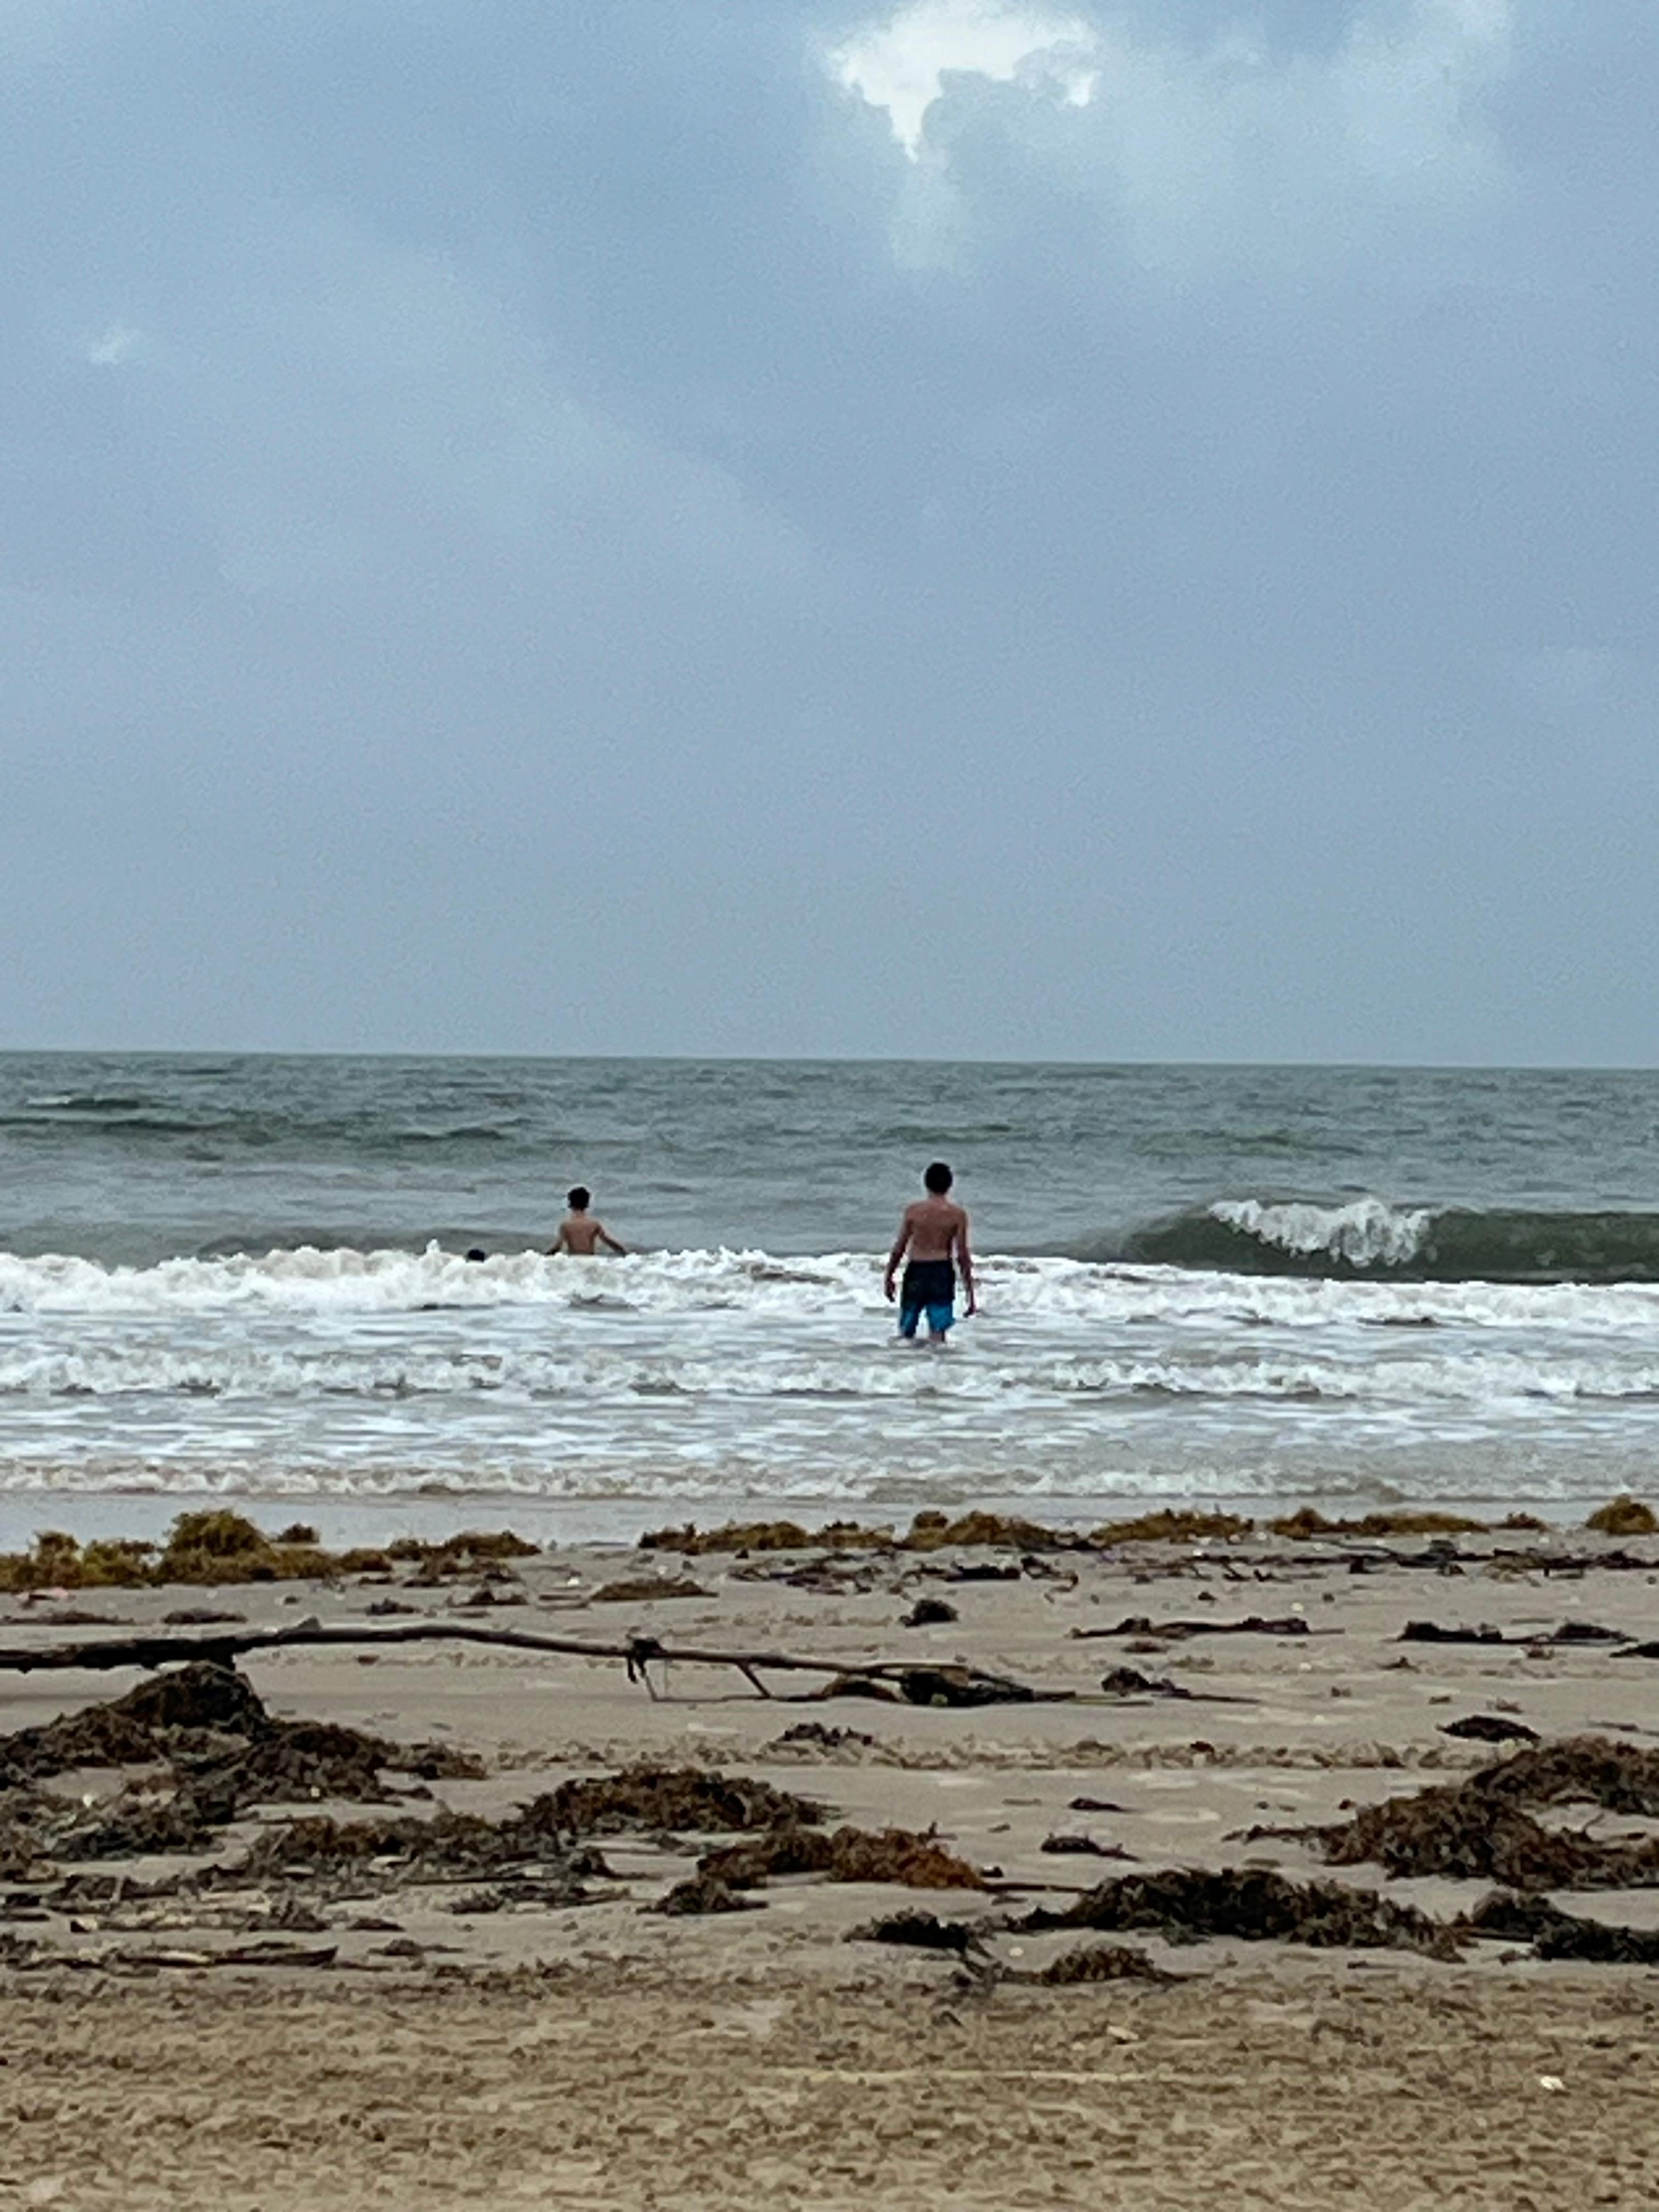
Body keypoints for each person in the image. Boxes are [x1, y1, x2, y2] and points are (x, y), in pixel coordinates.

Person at [884, 1161, 975, 1342]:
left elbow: (899, 1248)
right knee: (938, 1333)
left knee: (906, 1331)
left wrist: (889, 1276)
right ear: (950, 1185)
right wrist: (970, 1294)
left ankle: (902, 1361)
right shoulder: (957, 1214)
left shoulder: (913, 1211)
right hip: (941, 1272)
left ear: (926, 1183)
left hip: (916, 1271)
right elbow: (963, 1255)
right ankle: (936, 1361)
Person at [549, 1187, 628, 1256]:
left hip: (574, 1261)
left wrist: (545, 1257)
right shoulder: (594, 1224)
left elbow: (558, 1246)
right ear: (587, 1204)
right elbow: (609, 1242)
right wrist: (625, 1253)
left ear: (570, 1204)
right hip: (590, 1260)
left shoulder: (566, 1225)